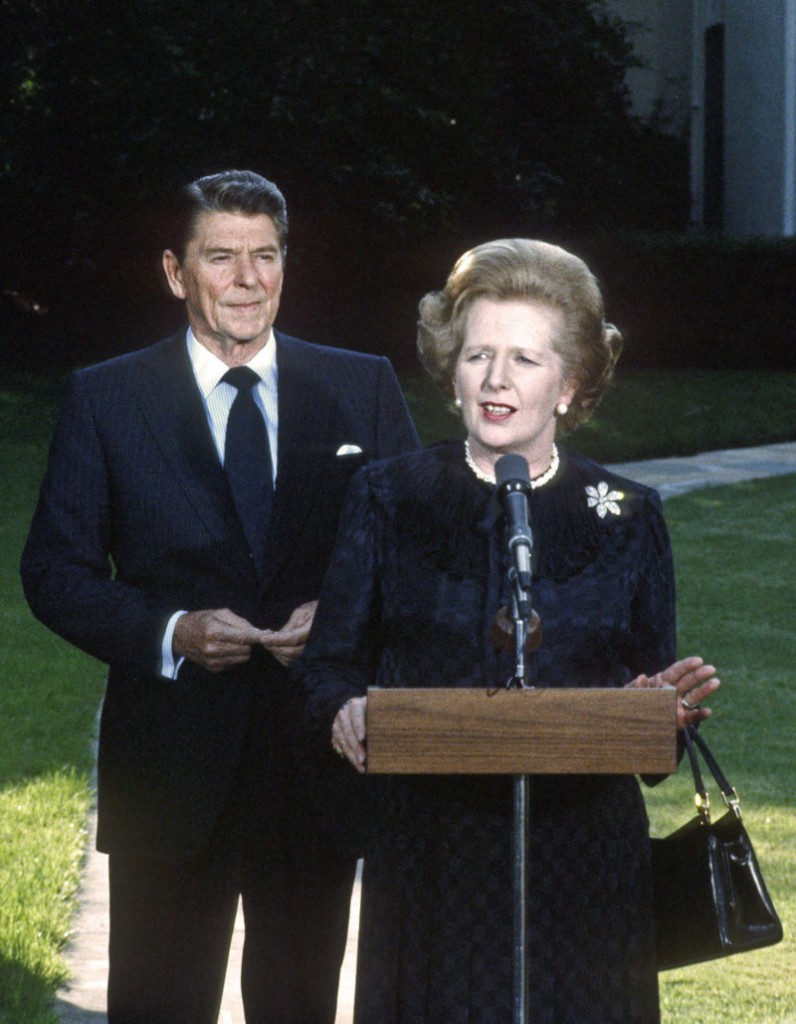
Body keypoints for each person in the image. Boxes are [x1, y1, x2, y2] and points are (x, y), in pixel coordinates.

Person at [20, 169, 420, 1024]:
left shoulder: (362, 387)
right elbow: (55, 571)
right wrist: (174, 630)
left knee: (301, 1006)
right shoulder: (107, 397)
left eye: (266, 256)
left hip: (314, 768)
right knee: (158, 1007)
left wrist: (343, 621)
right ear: (176, 272)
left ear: (286, 265)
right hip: (169, 774)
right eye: (222, 257)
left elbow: (418, 557)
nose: (248, 279)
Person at [294, 238, 720, 1024]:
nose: (495, 380)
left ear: (572, 383)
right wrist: (344, 711)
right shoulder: (387, 496)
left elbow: (654, 719)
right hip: (432, 856)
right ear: (449, 366)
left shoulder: (627, 516)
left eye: (525, 359)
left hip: (584, 860)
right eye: (477, 354)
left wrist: (661, 712)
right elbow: (327, 670)